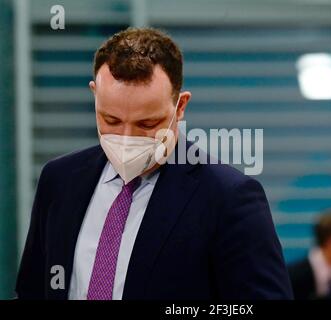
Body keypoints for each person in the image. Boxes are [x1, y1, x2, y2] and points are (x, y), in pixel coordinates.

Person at [15, 28, 293, 300]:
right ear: (94, 95)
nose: (126, 138)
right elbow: (32, 290)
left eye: (147, 123)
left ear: (180, 106)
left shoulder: (227, 197)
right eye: (110, 120)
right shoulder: (60, 179)